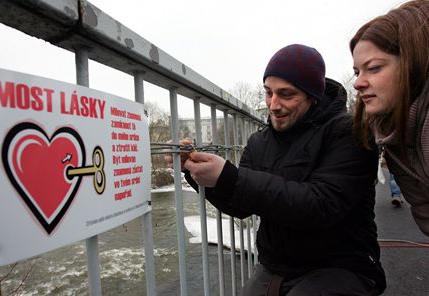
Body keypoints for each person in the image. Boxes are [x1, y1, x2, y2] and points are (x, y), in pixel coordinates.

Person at [167, 44, 385, 295]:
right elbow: (240, 206)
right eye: (268, 92)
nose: (273, 105)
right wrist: (198, 175)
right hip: (275, 266)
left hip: (340, 265)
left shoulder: (349, 132)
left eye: (286, 94)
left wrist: (231, 177)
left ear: (313, 95)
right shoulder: (260, 141)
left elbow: (321, 205)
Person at [350, 0, 429, 235]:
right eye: (356, 71)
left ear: (413, 63)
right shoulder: (389, 131)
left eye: (373, 68)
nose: (357, 83)